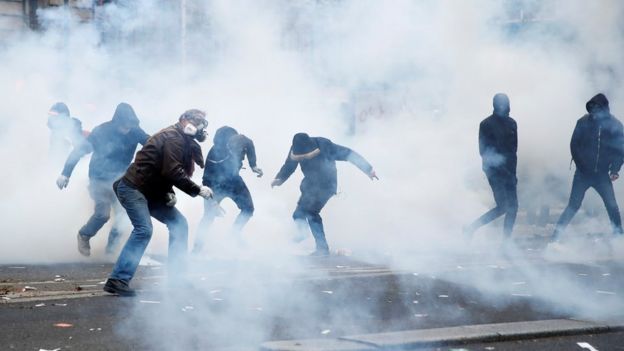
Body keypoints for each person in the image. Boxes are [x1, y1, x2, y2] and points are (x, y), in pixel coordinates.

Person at [103, 109, 213, 296]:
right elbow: (172, 171)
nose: (197, 126)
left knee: (179, 224)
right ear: (183, 120)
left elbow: (160, 169)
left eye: (200, 123)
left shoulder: (182, 140)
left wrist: (168, 192)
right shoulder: (173, 138)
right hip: (133, 188)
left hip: (150, 191)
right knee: (144, 230)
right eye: (194, 121)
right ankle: (117, 280)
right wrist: (197, 190)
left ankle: (177, 279)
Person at [56, 103, 149, 256]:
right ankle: (84, 234)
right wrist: (66, 173)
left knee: (123, 216)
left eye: (130, 126)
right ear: (117, 122)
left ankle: (110, 252)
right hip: (98, 179)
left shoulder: (135, 131)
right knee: (103, 214)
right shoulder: (102, 131)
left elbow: (152, 143)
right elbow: (79, 150)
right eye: (124, 125)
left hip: (121, 180)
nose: (127, 129)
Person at [271, 133, 378, 256]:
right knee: (298, 215)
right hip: (310, 186)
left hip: (326, 185)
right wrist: (279, 179)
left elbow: (348, 154)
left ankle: (322, 248)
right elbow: (289, 166)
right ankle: (303, 233)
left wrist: (368, 170)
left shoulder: (324, 145)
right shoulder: (295, 148)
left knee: (311, 213)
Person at [552, 93, 624, 240]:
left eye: (598, 109)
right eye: (593, 109)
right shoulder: (583, 122)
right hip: (583, 174)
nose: (595, 113)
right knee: (573, 206)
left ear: (605, 109)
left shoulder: (615, 125)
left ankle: (619, 240)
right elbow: (574, 145)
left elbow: (620, 149)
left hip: (602, 175)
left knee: (612, 207)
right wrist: (582, 165)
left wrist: (615, 169)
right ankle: (555, 238)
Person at [193, 126, 263, 253]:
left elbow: (249, 144)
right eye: (231, 143)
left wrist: (253, 165)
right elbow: (206, 180)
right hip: (215, 186)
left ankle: (234, 234)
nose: (235, 144)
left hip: (235, 182)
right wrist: (212, 202)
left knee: (248, 209)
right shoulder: (215, 153)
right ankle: (196, 249)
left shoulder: (241, 141)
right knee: (209, 216)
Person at [465, 93, 518, 238]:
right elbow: (483, 151)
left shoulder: (512, 123)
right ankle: (471, 228)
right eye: (501, 104)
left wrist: (513, 173)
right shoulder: (486, 124)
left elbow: (514, 151)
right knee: (503, 207)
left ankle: (506, 243)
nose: (503, 107)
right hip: (494, 172)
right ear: (495, 105)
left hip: (509, 171)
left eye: (505, 104)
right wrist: (500, 169)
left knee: (513, 208)